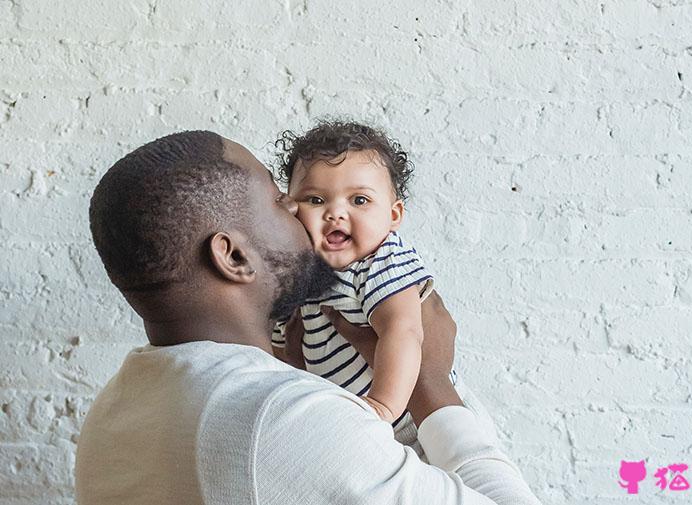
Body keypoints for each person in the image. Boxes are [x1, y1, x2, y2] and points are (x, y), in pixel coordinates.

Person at [75, 130, 542, 505]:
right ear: (234, 257)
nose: (302, 215)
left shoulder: (111, 417)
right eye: (283, 202)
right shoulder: (279, 417)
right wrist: (432, 383)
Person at [270, 120, 460, 443]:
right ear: (290, 209)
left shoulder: (381, 260)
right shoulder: (301, 273)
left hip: (411, 424)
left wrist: (381, 407)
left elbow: (403, 329)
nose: (335, 213)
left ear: (393, 215)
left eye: (359, 200)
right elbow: (280, 350)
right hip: (354, 427)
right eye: (315, 200)